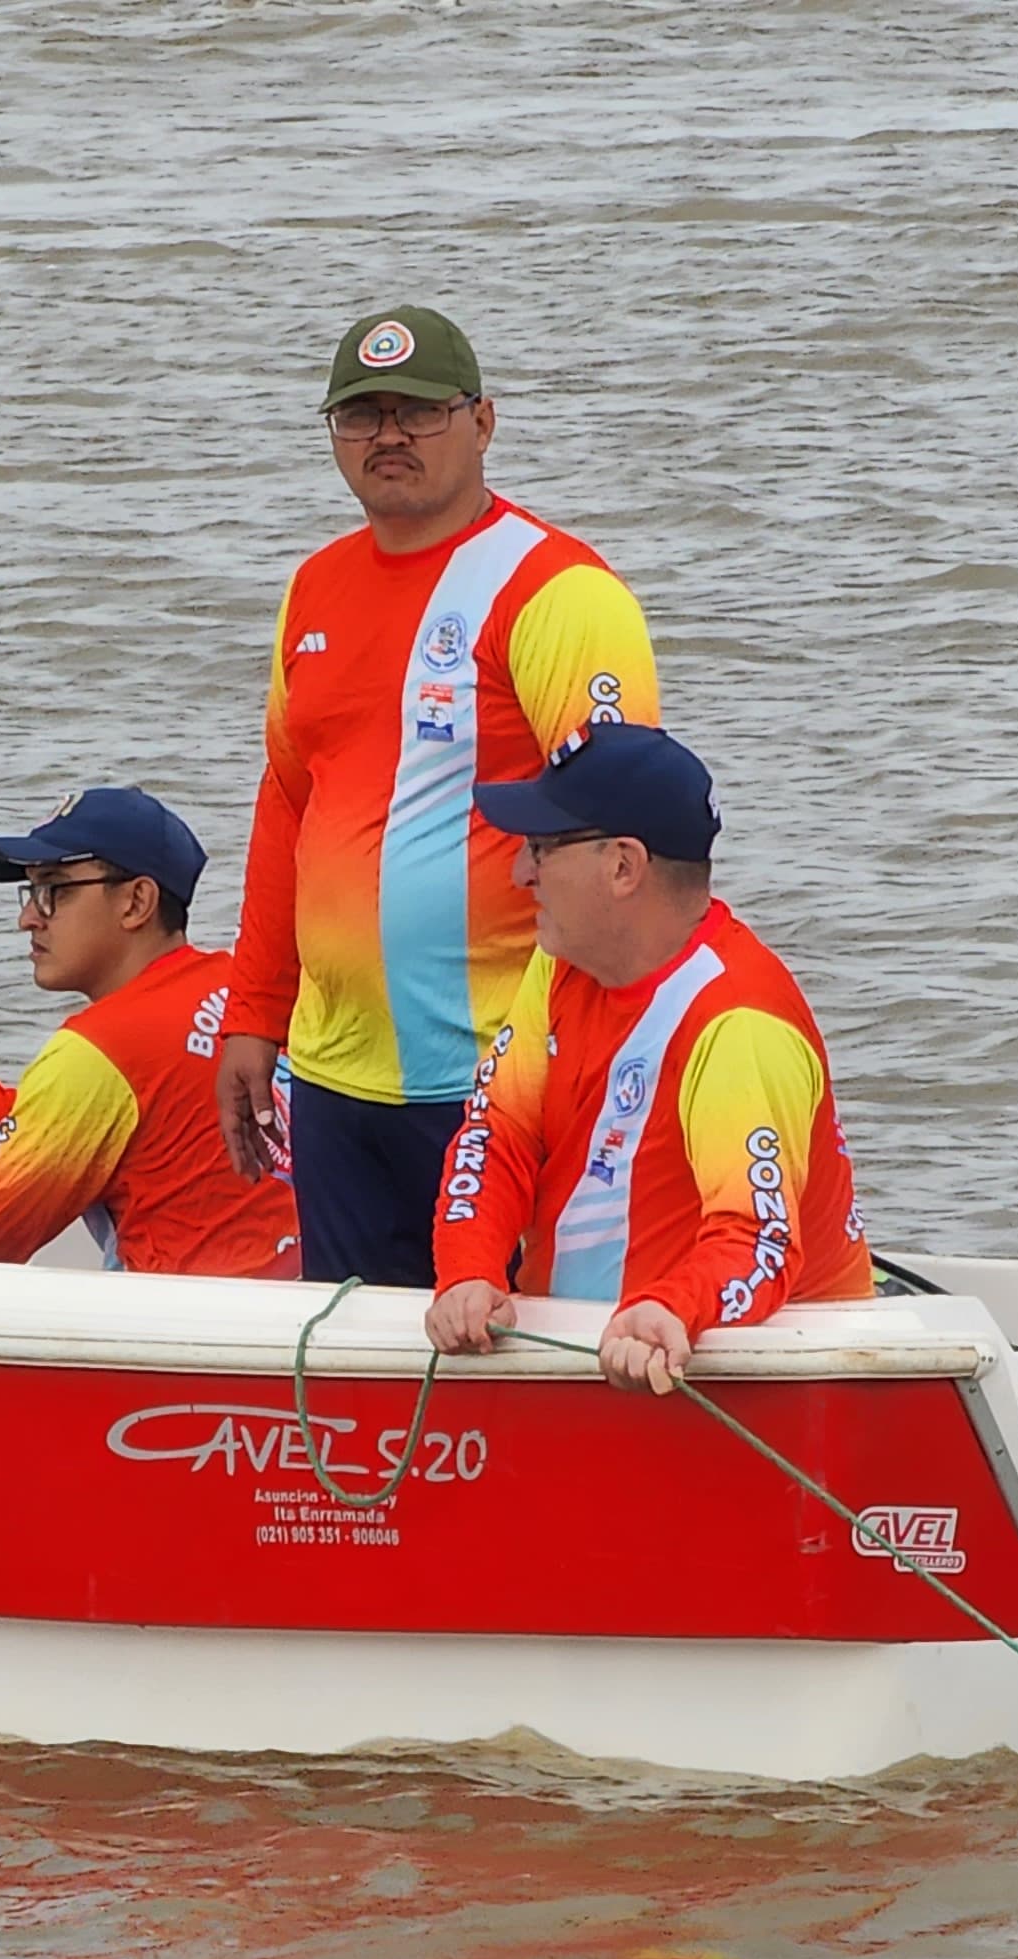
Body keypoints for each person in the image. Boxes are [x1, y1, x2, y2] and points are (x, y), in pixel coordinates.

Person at [211, 305, 663, 1286]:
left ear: (483, 422)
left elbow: (629, 835)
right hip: (331, 1075)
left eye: (418, 413)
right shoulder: (313, 588)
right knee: (362, 1378)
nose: (388, 437)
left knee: (505, 1354)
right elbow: (290, 803)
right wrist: (254, 1008)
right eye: (360, 415)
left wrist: (597, 1047)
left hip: (500, 1075)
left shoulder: (558, 592)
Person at [421, 723, 869, 1391]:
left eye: (541, 849)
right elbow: (497, 1136)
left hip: (759, 1385)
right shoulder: (560, 965)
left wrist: (670, 1310)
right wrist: (470, 1270)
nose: (519, 873)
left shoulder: (737, 1024)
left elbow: (758, 1243)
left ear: (624, 866)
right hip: (581, 1360)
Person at [0, 787, 299, 1278]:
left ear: (136, 902)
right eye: (31, 892)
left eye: (53, 890)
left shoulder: (102, 1050)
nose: (27, 918)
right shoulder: (243, 986)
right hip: (296, 1288)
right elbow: (68, 1124)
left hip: (193, 1331)